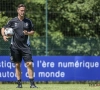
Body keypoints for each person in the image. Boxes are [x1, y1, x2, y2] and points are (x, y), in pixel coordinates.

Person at [1, 4, 38, 88]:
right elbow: (3, 28)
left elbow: (33, 32)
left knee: (29, 64)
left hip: (26, 46)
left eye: (24, 10)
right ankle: (19, 84)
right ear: (18, 11)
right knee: (17, 65)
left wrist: (28, 33)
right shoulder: (12, 21)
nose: (23, 12)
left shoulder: (28, 21)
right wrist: (4, 35)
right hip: (15, 47)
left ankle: (32, 84)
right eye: (21, 10)